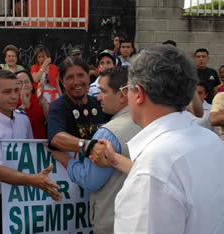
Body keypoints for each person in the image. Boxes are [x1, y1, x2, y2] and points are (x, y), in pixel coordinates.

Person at [92, 45, 224, 234]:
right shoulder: (210, 141)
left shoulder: (153, 169)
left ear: (139, 94)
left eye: (127, 89)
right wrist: (116, 160)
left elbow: (157, 176)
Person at [50, 67, 141, 234]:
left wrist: (67, 160)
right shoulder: (149, 123)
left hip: (113, 222)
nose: (98, 97)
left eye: (103, 91)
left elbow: (90, 180)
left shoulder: (108, 133)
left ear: (123, 93)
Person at [0, 70, 62, 234]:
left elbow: (29, 151)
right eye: (7, 92)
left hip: (21, 196)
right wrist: (34, 181)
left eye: (16, 90)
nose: (14, 96)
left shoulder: (22, 117)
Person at [47, 56, 109, 153]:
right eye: (70, 77)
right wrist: (89, 147)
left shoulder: (99, 103)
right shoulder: (58, 106)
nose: (76, 82)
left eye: (81, 75)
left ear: (88, 77)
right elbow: (56, 138)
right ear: (62, 81)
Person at [16, 70, 49, 139]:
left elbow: (52, 123)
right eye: (19, 83)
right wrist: (23, 106)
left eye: (27, 82)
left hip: (40, 146)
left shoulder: (40, 101)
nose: (24, 85)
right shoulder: (11, 104)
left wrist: (44, 104)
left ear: (32, 85)